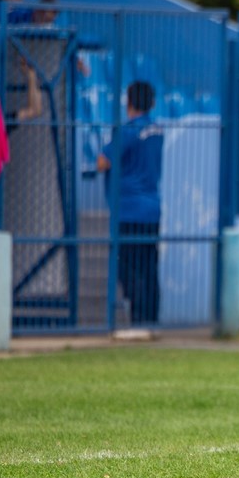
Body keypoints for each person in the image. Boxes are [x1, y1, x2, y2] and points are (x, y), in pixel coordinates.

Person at [97, 81, 163, 325]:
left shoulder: (127, 131)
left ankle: (138, 319)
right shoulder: (157, 131)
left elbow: (103, 161)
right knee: (149, 267)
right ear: (153, 103)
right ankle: (151, 319)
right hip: (152, 209)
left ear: (129, 102)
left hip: (128, 210)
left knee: (128, 268)